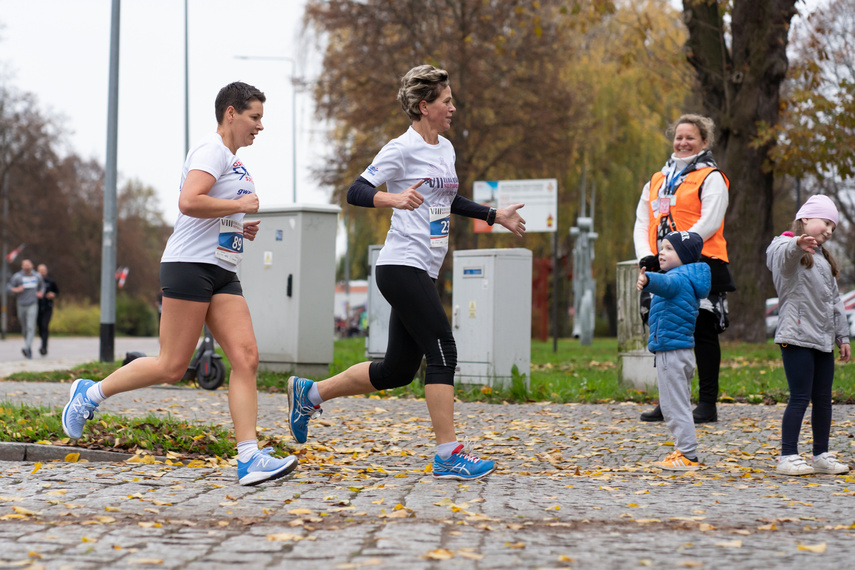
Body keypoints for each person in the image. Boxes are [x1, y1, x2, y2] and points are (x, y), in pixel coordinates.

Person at [285, 64, 526, 481]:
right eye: (446, 101)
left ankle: (310, 394)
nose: (453, 107)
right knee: (444, 352)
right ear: (424, 106)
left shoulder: (445, 149)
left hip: (423, 269)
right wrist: (393, 197)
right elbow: (356, 190)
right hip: (401, 264)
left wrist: (493, 214)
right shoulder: (400, 148)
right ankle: (448, 454)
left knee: (397, 370)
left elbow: (446, 198)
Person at [61, 82, 298, 486]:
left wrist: (239, 225)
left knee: (246, 358)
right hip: (188, 266)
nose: (260, 126)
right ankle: (90, 393)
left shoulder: (235, 161)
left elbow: (212, 209)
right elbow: (189, 201)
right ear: (231, 113)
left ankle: (249, 457)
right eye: (255, 117)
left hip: (222, 268)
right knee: (171, 366)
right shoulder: (211, 150)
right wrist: (239, 206)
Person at [633, 114, 735, 424]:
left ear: (704, 142)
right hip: (662, 265)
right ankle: (669, 403)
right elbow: (642, 221)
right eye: (679, 137)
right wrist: (647, 257)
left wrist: (678, 249)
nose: (683, 142)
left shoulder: (711, 176)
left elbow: (710, 221)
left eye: (690, 137)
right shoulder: (657, 179)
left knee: (702, 332)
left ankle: (707, 403)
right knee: (665, 332)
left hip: (701, 263)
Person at [766, 195, 850, 476]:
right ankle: (788, 455)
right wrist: (795, 243)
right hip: (797, 336)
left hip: (823, 340)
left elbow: (834, 301)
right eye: (825, 222)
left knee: (824, 399)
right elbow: (779, 259)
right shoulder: (785, 246)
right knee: (800, 397)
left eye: (832, 227)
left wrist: (843, 337)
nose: (828, 230)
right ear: (805, 219)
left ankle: (821, 454)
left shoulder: (824, 260)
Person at [637, 231, 710, 470]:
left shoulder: (678, 279)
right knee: (675, 403)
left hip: (672, 351)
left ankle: (687, 455)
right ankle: (683, 450)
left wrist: (650, 281)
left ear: (684, 255)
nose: (662, 253)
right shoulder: (687, 277)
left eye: (669, 248)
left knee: (673, 406)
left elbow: (666, 285)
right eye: (662, 248)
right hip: (677, 350)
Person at [6, 259, 44, 359]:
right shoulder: (17, 277)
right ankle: (28, 347)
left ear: (32, 265)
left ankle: (27, 347)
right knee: (25, 328)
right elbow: (8, 287)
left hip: (33, 304)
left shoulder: (37, 276)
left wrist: (41, 292)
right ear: (22, 267)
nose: (27, 267)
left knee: (30, 326)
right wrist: (16, 289)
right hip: (21, 304)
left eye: (28, 265)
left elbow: (42, 287)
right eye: (25, 265)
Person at [36, 263, 59, 356]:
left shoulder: (50, 281)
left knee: (45, 326)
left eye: (44, 271)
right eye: (40, 271)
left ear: (46, 271)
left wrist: (53, 295)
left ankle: (44, 347)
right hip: (36, 307)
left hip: (47, 308)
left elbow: (57, 292)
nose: (42, 273)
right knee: (40, 327)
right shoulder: (34, 281)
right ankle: (43, 341)